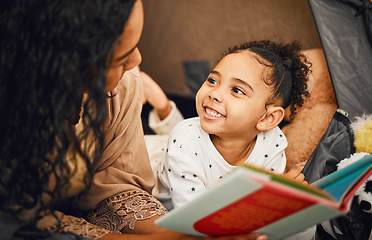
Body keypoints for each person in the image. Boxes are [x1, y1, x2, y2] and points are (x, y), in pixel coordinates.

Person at [0, 0, 267, 239]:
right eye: (120, 58)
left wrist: (188, 233)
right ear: (62, 67)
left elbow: (116, 187)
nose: (137, 61)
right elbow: (17, 222)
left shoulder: (123, 86)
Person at [158, 40, 310, 208]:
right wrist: (271, 195)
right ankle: (163, 107)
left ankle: (163, 108)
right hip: (171, 208)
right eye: (213, 81)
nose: (215, 94)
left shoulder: (272, 143)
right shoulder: (185, 142)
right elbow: (194, 217)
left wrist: (280, 194)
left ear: (268, 118)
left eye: (237, 90)